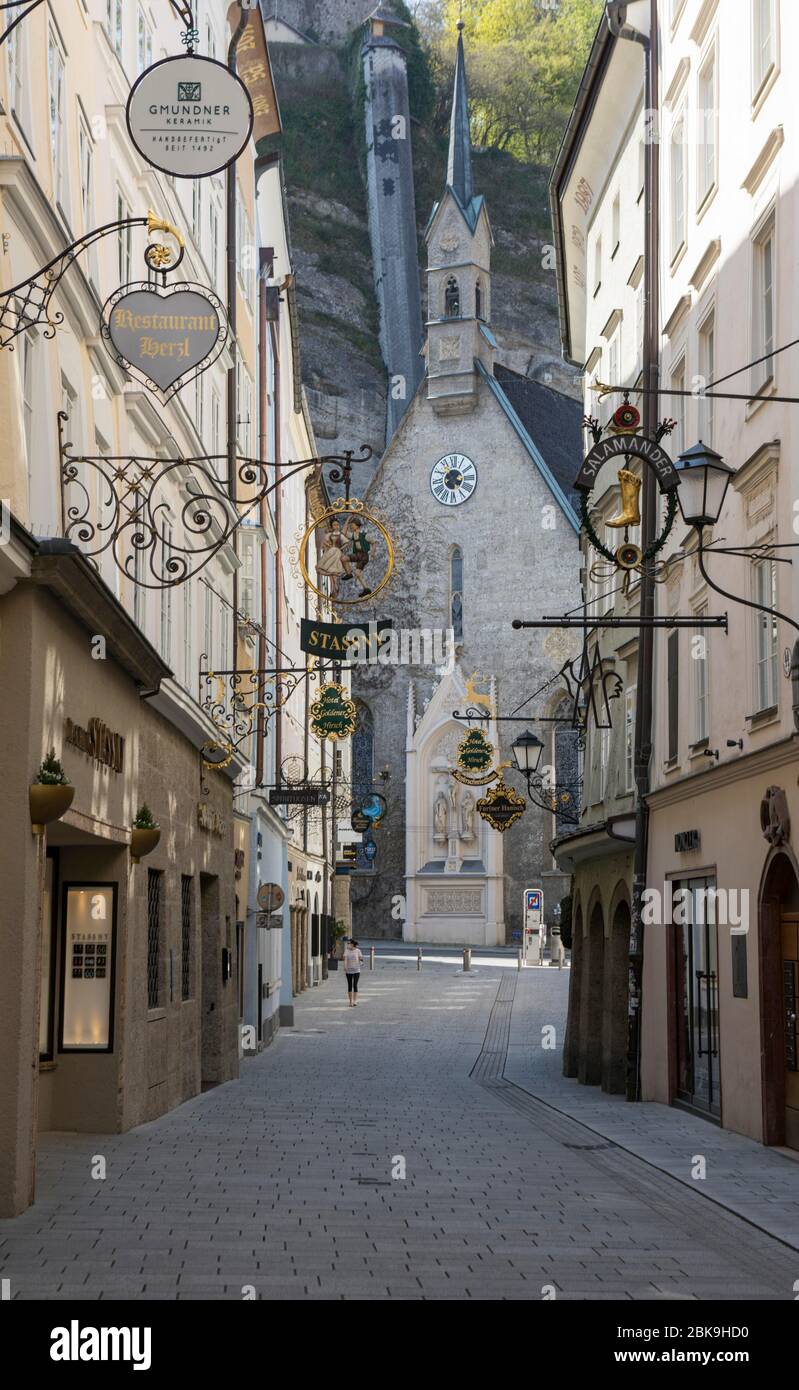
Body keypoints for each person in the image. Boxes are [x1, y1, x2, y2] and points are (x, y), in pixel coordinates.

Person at [343, 937, 363, 1007]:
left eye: (349, 943)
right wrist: (345, 967)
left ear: (352, 944)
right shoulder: (346, 951)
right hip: (349, 970)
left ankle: (355, 1001)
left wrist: (361, 961)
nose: (348, 944)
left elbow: (360, 958)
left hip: (357, 970)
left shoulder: (358, 951)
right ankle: (350, 1001)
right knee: (349, 985)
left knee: (355, 985)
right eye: (348, 943)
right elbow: (345, 959)